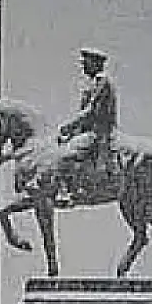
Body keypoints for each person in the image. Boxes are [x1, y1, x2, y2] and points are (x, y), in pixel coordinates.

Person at [57, 47, 118, 196]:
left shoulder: (102, 81)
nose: (83, 66)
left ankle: (69, 191)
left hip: (99, 131)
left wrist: (69, 126)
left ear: (96, 63)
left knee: (67, 154)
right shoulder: (92, 83)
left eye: (86, 63)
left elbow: (91, 111)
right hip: (89, 130)